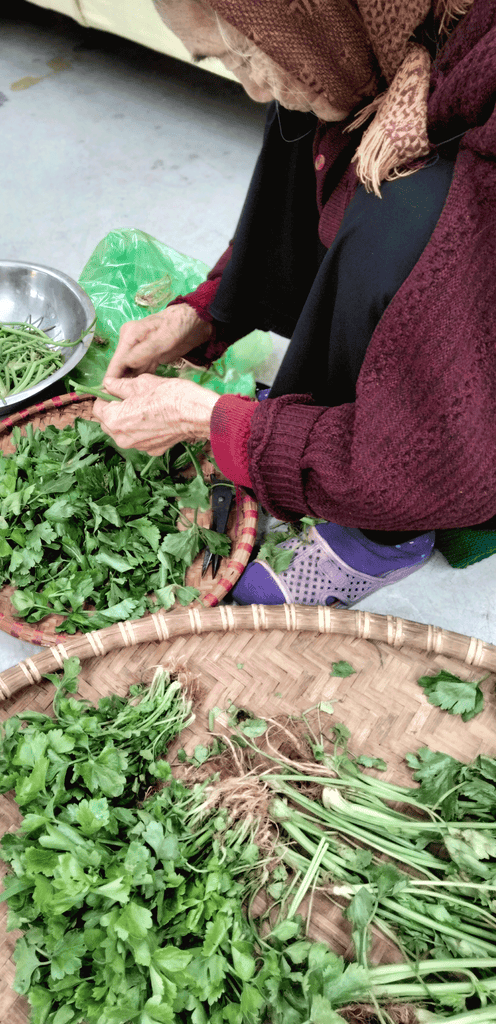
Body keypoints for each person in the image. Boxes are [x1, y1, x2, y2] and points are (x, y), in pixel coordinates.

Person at [92, 0, 496, 607]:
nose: (251, 86)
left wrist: (213, 421)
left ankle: (380, 534)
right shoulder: (372, 33)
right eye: (225, 60)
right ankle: (314, 440)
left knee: (403, 208)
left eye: (245, 54)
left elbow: (449, 461)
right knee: (310, 100)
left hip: (461, 419)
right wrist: (203, 312)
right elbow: (294, 192)